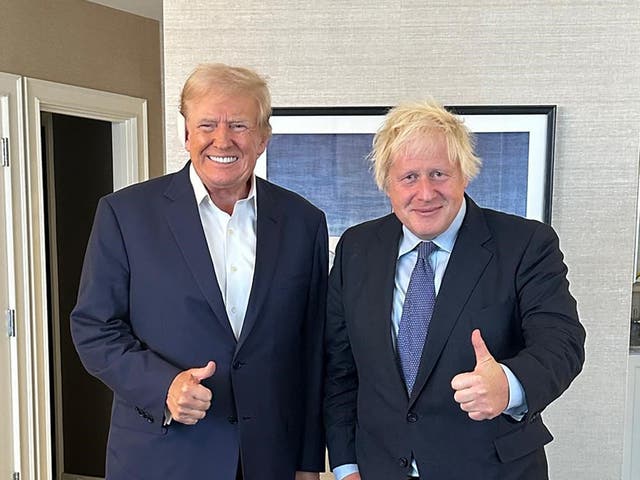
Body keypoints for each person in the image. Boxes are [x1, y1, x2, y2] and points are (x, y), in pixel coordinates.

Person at [71, 63, 327, 480]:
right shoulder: (125, 214)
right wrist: (164, 386)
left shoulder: (304, 222)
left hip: (269, 461)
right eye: (207, 123)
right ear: (186, 133)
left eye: (239, 125)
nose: (222, 139)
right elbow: (93, 328)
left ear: (263, 137)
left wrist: (308, 462)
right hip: (162, 456)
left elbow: (313, 349)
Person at [324, 100, 585, 480]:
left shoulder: (525, 243)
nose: (426, 193)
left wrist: (509, 386)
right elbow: (340, 369)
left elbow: (562, 342)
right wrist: (346, 464)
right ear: (387, 184)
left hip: (493, 470)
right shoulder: (356, 249)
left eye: (439, 174)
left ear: (464, 174)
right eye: (409, 177)